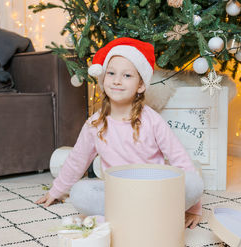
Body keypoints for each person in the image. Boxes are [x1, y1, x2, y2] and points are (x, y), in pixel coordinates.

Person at [36, 37, 204, 229]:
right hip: (118, 195)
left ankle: (138, 214)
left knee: (193, 183)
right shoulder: (95, 124)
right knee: (80, 193)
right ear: (103, 78)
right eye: (111, 73)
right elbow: (77, 160)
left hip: (154, 191)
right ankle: (142, 214)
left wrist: (194, 208)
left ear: (140, 85)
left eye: (127, 76)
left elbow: (178, 157)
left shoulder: (152, 120)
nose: (117, 80)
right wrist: (56, 191)